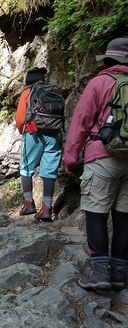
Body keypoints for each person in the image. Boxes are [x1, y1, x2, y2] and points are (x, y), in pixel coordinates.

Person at [63, 38, 128, 291]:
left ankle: (99, 272)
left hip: (102, 157)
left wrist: (71, 157)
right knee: (124, 216)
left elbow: (81, 121)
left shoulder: (99, 83)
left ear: (109, 60)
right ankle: (119, 273)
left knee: (96, 211)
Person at [15, 67, 62, 221]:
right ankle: (47, 208)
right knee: (49, 171)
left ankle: (28, 203)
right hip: (54, 134)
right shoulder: (53, 90)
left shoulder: (27, 93)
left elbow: (20, 119)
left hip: (34, 132)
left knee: (27, 168)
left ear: (28, 80)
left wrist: (22, 130)